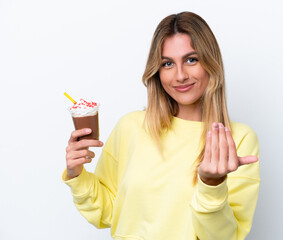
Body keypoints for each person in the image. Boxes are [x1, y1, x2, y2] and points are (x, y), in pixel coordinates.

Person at [63, 11, 260, 240]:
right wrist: (76, 173)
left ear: (211, 63)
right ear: (157, 71)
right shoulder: (131, 127)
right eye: (168, 64)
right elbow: (107, 213)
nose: (180, 76)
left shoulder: (237, 139)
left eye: (191, 60)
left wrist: (212, 185)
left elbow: (224, 237)